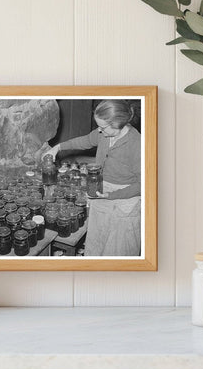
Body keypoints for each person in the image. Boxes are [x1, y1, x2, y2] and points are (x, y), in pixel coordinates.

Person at [45, 100, 141, 256]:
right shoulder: (104, 134)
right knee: (96, 243)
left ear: (118, 123)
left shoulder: (137, 144)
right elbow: (85, 141)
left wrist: (112, 195)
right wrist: (58, 147)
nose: (99, 131)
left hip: (126, 200)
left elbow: (143, 185)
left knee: (118, 251)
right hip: (102, 191)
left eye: (102, 127)